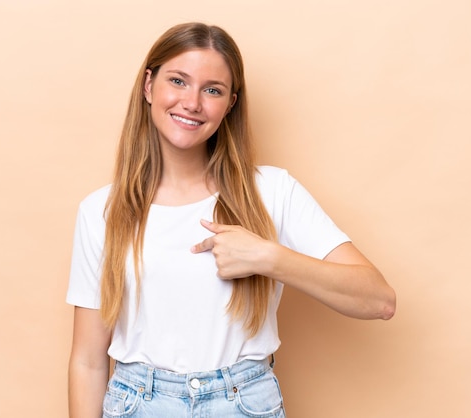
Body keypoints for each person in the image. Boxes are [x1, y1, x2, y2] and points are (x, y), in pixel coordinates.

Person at [66, 22, 396, 418]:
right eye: (178, 81)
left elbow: (378, 299)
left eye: (212, 90)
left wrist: (269, 258)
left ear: (230, 103)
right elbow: (87, 362)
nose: (192, 103)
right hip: (139, 405)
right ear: (149, 86)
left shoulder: (272, 191)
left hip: (244, 404)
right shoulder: (101, 212)